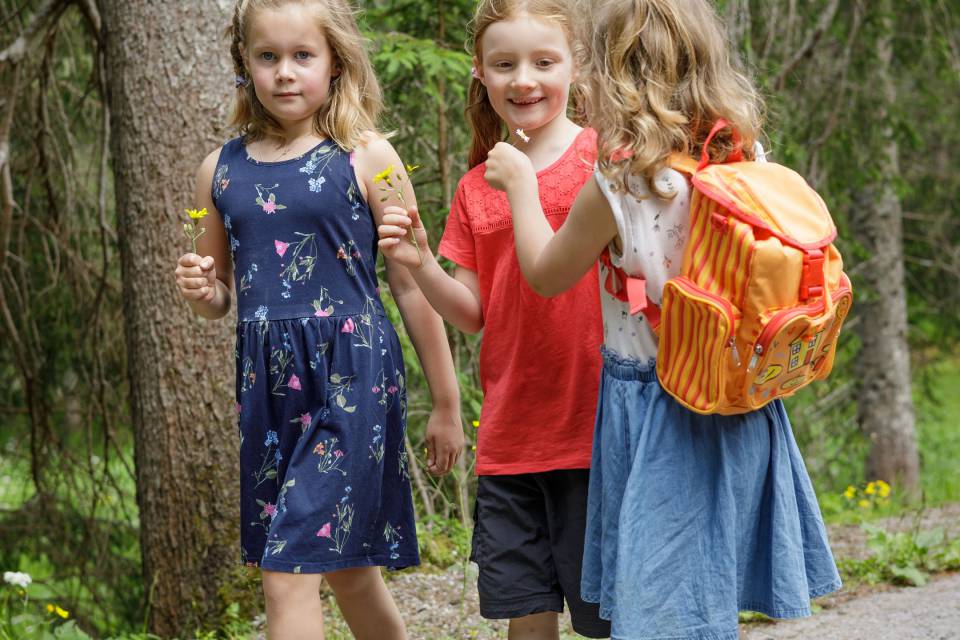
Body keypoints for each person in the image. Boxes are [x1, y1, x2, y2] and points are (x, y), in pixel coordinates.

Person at [482, 1, 843, 638]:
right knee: (708, 586)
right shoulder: (744, 153)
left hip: (655, 404)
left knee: (663, 598)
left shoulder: (621, 180)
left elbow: (545, 273)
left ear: (609, 74)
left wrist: (518, 187)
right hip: (741, 401)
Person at [173, 1, 464, 638]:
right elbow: (220, 294)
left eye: (302, 56)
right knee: (347, 570)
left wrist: (446, 403)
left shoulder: (368, 157)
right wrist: (202, 294)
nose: (284, 73)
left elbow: (411, 288)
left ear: (335, 63)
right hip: (269, 390)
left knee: (287, 570)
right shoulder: (219, 171)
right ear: (244, 65)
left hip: (352, 379)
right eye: (267, 57)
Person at [376, 1, 610, 638]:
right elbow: (473, 313)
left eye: (543, 62)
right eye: (504, 64)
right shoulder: (477, 186)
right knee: (525, 612)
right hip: (510, 439)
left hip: (600, 428)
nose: (524, 80)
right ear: (480, 71)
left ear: (577, 65)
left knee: (609, 617)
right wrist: (421, 260)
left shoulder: (603, 158)